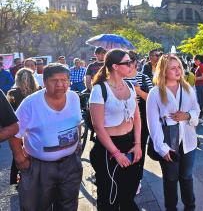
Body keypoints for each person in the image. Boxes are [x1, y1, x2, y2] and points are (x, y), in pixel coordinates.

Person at [10, 63, 83, 211]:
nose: (60, 84)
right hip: (40, 167)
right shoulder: (31, 103)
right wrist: (20, 158)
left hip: (70, 164)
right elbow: (14, 132)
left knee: (68, 205)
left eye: (64, 80)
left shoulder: (74, 97)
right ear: (44, 82)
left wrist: (78, 142)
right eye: (54, 80)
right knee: (36, 206)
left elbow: (77, 123)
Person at [88, 49, 142, 210]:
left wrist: (138, 144)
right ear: (115, 66)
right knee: (109, 195)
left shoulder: (131, 86)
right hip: (108, 147)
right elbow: (98, 126)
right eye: (127, 63)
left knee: (129, 191)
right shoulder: (100, 89)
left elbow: (137, 117)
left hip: (130, 142)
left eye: (131, 62)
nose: (131, 65)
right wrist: (116, 153)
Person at [147, 54, 200, 211]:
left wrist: (188, 115)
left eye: (179, 67)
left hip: (189, 140)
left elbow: (196, 108)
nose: (178, 71)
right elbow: (153, 123)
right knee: (170, 179)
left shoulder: (187, 88)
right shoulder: (155, 93)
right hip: (168, 142)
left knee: (187, 176)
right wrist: (162, 148)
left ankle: (190, 207)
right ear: (163, 70)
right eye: (173, 68)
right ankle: (171, 208)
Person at [124, 50, 153, 194]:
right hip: (122, 123)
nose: (125, 66)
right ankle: (126, 176)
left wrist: (138, 91)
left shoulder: (144, 78)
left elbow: (153, 99)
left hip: (141, 121)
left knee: (139, 149)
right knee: (124, 149)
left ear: (134, 63)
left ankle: (137, 179)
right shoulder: (117, 79)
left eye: (127, 62)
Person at [7, 68, 40, 185]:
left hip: (19, 129)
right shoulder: (39, 91)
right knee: (35, 153)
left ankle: (19, 178)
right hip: (37, 128)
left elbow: (9, 114)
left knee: (19, 153)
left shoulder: (12, 93)